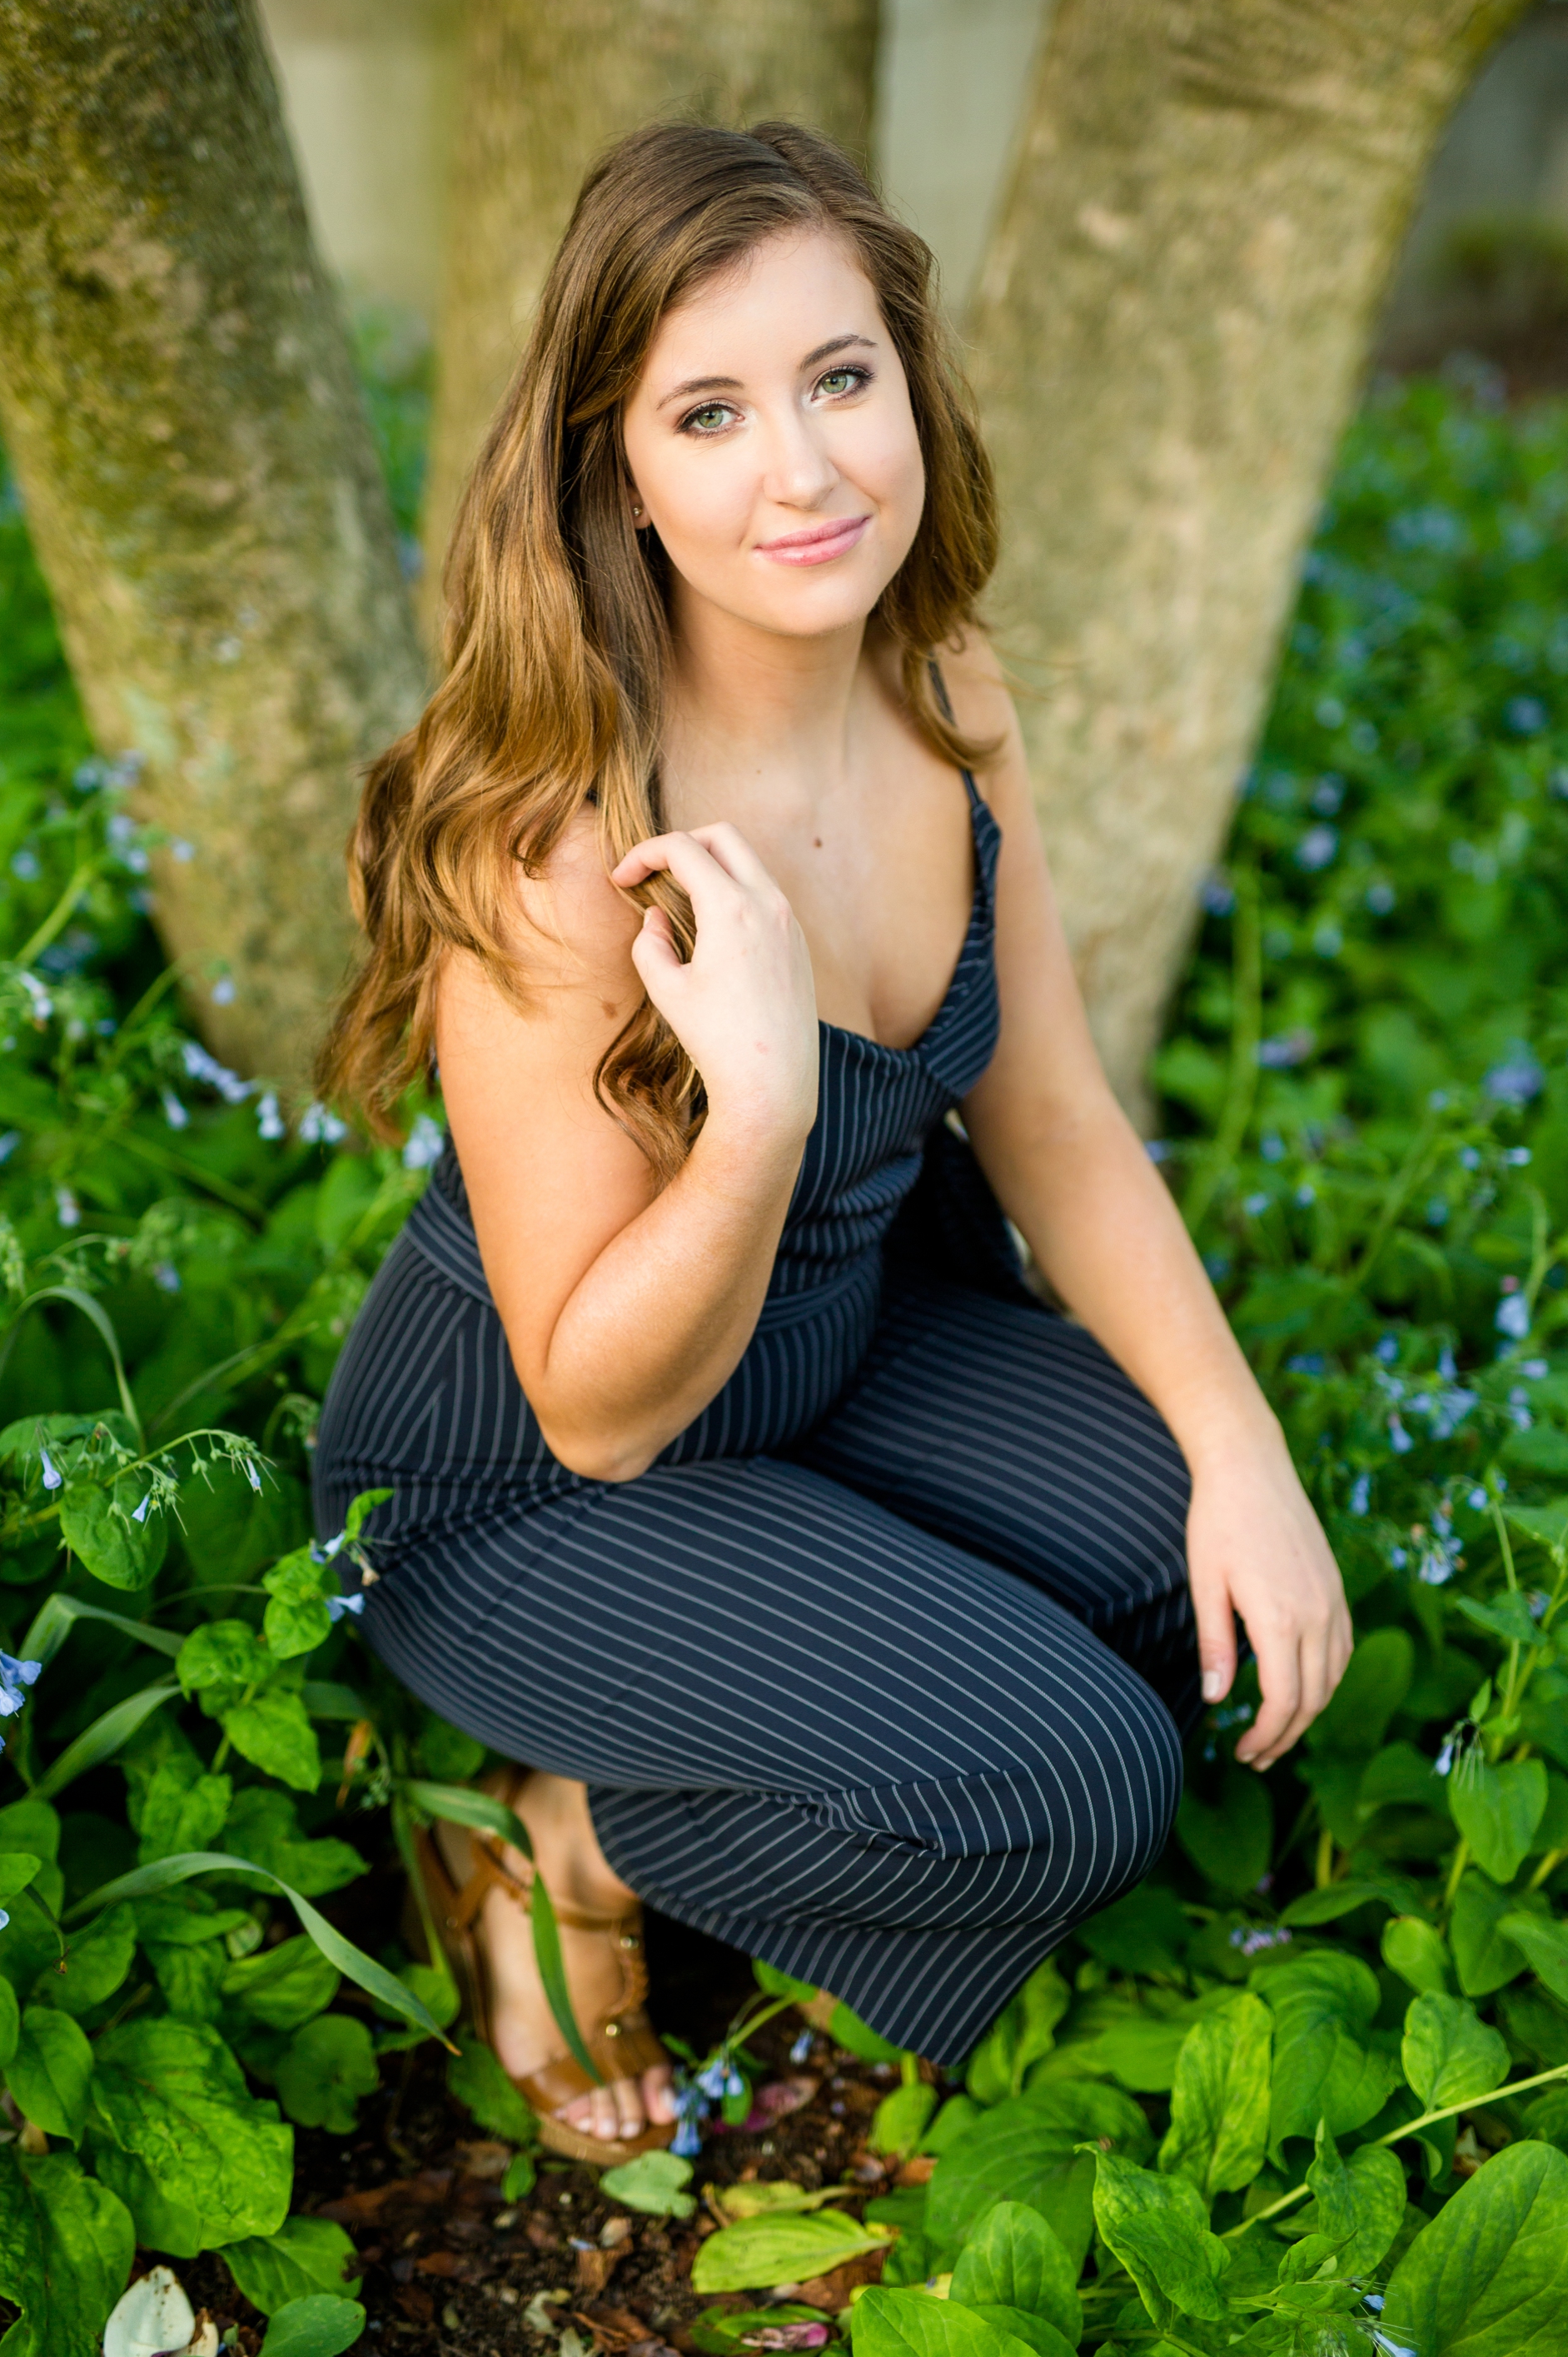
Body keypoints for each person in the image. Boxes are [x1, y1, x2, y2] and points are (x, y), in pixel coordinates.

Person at [313, 120, 1351, 2163]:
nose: (804, 470)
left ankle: (821, 1660)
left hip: (838, 1350)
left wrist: (1249, 1461)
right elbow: (598, 1413)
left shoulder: (941, 679)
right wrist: (762, 1104)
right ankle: (565, 1848)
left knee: (1186, 1570)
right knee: (1072, 1781)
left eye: (840, 377)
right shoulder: (555, 841)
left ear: (909, 383)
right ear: (619, 463)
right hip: (528, 1485)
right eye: (710, 411)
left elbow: (1048, 1110)